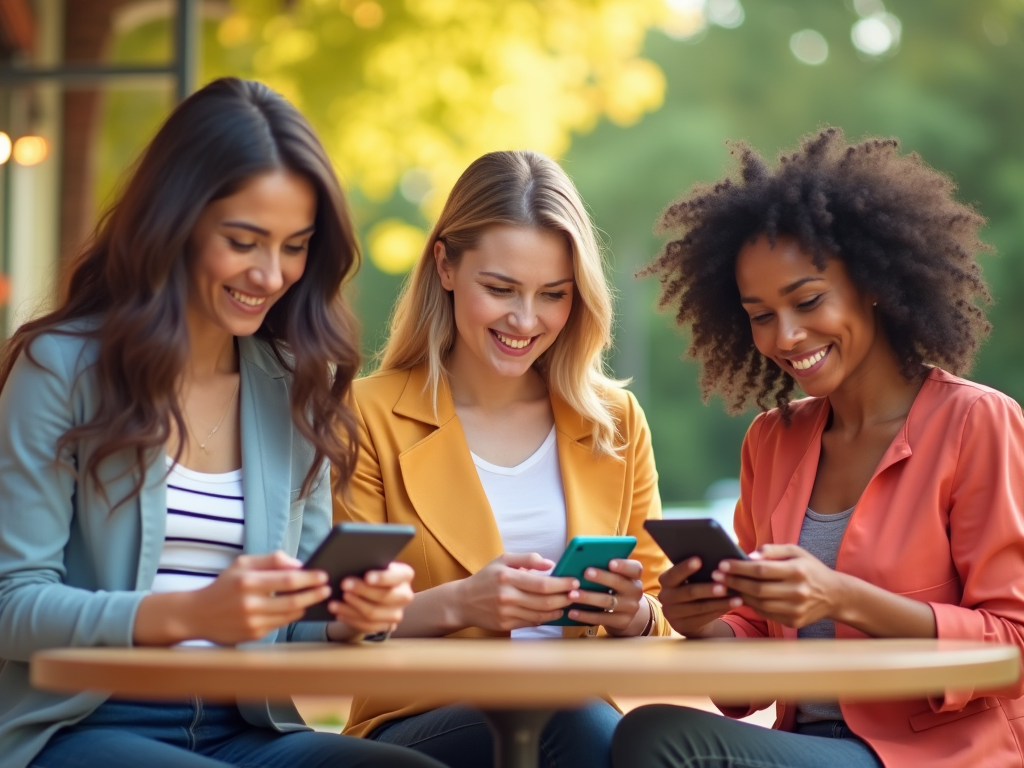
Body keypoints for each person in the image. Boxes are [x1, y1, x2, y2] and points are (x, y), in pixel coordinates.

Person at [0, 78, 445, 768]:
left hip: (249, 731)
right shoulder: (60, 368)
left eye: (295, 246)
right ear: (174, 225)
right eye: (244, 241)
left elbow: (296, 622)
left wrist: (349, 619)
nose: (271, 275)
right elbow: (11, 602)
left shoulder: (297, 385)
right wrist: (185, 616)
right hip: (81, 728)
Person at [611, 127, 1024, 768]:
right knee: (639, 733)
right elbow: (745, 682)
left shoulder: (977, 422)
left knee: (659, 741)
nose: (786, 335)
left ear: (874, 283)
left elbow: (1013, 648)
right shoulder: (773, 441)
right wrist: (705, 624)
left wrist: (841, 597)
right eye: (760, 314)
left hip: (940, 755)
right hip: (805, 743)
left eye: (807, 301)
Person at [333, 149, 673, 768]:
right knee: (561, 717)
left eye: (553, 295)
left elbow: (665, 621)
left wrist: (636, 617)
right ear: (444, 264)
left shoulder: (614, 424)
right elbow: (337, 622)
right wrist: (462, 604)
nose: (525, 319)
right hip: (417, 726)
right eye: (500, 289)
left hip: (580, 728)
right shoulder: (367, 415)